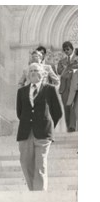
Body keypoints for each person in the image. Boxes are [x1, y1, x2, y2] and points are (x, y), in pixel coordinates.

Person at [16, 63, 62, 191]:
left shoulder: (50, 89)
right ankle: (33, 191)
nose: (32, 73)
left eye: (35, 70)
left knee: (40, 164)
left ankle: (40, 194)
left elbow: (57, 112)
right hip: (25, 133)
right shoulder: (21, 91)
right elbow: (19, 112)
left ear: (42, 73)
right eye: (30, 71)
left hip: (43, 133)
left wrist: (48, 125)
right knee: (25, 163)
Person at [57, 41, 78, 132]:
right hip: (64, 87)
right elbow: (59, 72)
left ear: (72, 49)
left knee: (74, 106)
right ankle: (69, 126)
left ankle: (72, 126)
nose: (66, 51)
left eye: (68, 49)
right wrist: (67, 69)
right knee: (67, 107)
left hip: (75, 86)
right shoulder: (61, 61)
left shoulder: (78, 59)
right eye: (64, 50)